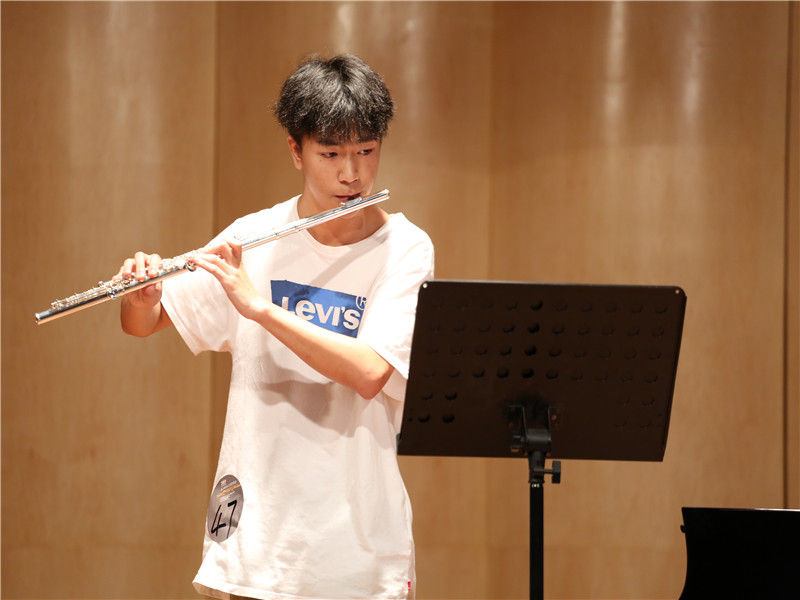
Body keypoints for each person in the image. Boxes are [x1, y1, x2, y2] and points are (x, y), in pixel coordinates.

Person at [116, 54, 434, 600]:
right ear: (295, 150)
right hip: (257, 544)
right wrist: (140, 297)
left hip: (357, 548)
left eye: (365, 151)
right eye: (330, 154)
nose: (351, 174)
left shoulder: (405, 248)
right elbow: (143, 325)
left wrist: (259, 308)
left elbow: (370, 372)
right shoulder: (253, 235)